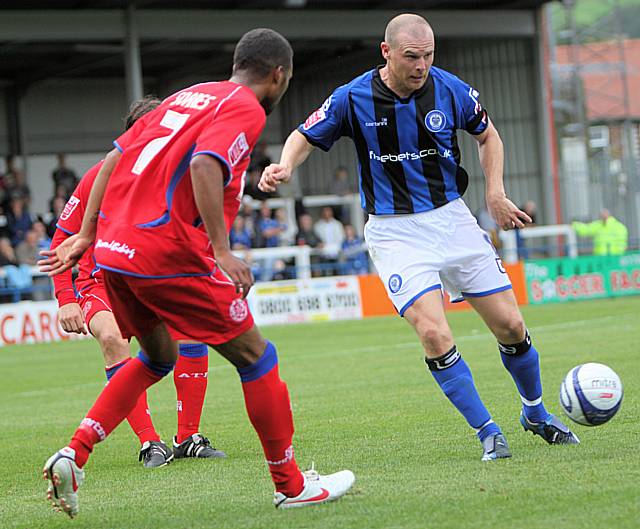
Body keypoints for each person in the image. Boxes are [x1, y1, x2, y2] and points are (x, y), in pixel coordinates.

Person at [40, 28, 354, 518]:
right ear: (279, 76)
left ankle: (74, 452)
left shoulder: (190, 96)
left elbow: (113, 158)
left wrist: (85, 235)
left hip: (116, 252)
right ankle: (291, 485)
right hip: (166, 251)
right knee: (257, 357)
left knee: (156, 357)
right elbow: (206, 165)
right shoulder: (244, 108)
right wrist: (223, 252)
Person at [260, 13, 578, 462]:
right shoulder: (353, 97)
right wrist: (287, 166)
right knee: (433, 331)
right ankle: (487, 431)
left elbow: (489, 137)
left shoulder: (450, 89)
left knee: (511, 325)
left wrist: (495, 192)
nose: (421, 65)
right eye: (412, 56)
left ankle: (535, 412)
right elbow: (303, 136)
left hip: (453, 218)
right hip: (395, 232)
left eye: (428, 55)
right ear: (386, 52)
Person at [50, 96, 225, 469]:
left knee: (191, 331)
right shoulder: (99, 175)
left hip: (155, 276)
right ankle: (150, 443)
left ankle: (187, 438)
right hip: (102, 280)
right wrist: (66, 297)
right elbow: (60, 240)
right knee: (113, 339)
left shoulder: (182, 174)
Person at [314, 206, 345, 275]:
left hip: (336, 253)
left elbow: (341, 238)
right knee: (325, 272)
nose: (326, 213)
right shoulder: (318, 225)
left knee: (338, 272)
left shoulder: (337, 224)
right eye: (325, 212)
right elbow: (316, 239)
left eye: (328, 211)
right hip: (323, 254)